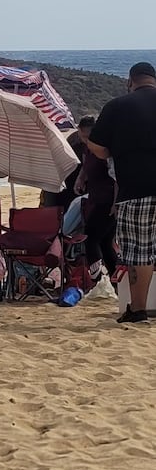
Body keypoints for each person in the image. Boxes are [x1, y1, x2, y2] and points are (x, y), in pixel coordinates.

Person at [86, 62, 156, 323]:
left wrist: (116, 149)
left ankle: (138, 310)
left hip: (135, 190)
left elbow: (97, 147)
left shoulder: (117, 106)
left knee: (140, 251)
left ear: (130, 81)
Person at [73, 116, 118, 279]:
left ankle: (97, 278)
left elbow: (116, 177)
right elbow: (86, 166)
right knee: (105, 243)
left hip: (107, 200)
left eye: (87, 136)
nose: (85, 140)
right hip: (95, 198)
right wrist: (80, 178)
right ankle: (115, 280)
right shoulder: (87, 149)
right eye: (82, 136)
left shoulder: (104, 150)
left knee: (90, 237)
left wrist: (115, 203)